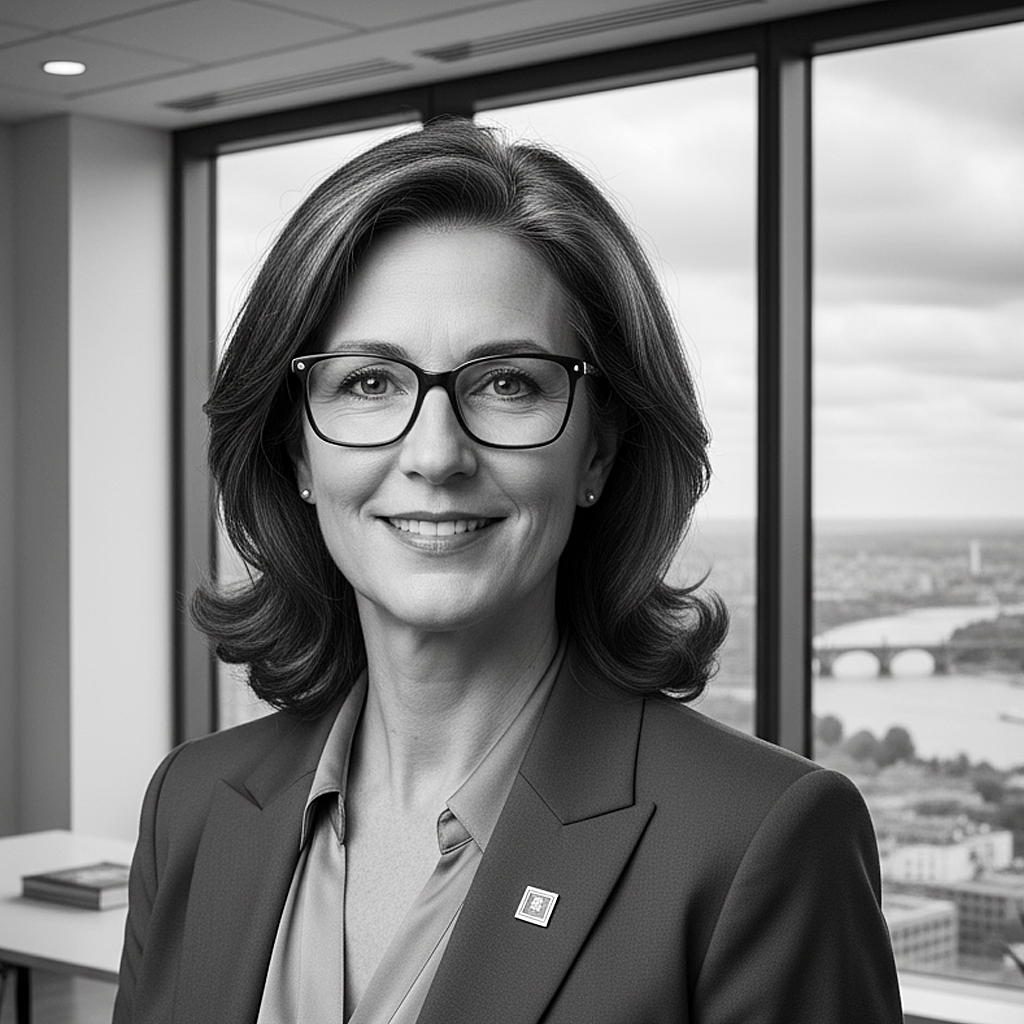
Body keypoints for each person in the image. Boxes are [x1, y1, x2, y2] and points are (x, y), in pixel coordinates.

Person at [113, 118, 902, 1023]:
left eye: (509, 383)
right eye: (370, 383)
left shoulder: (758, 841)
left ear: (599, 449)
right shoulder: (195, 805)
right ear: (297, 448)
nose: (436, 455)